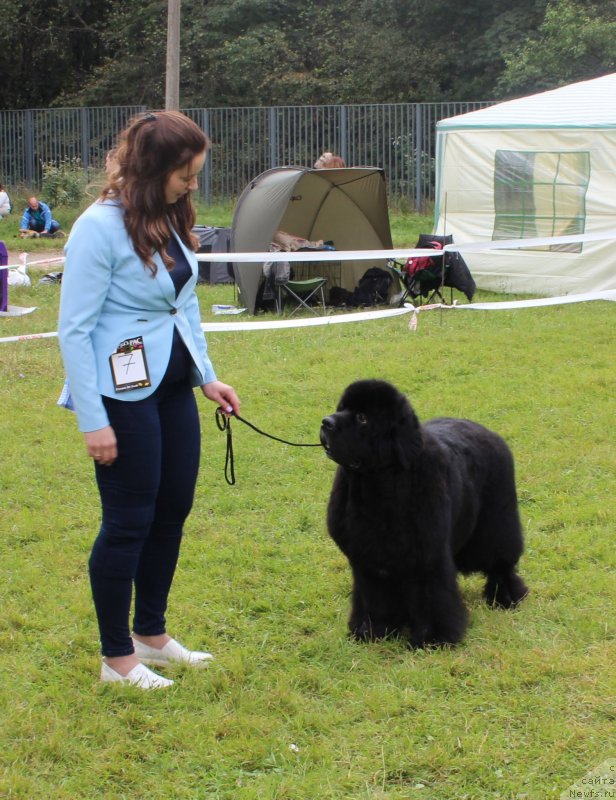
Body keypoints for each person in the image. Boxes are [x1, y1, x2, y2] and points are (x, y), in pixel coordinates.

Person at [58, 110, 240, 690]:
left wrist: (207, 376)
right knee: (127, 523)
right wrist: (94, 421)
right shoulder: (97, 227)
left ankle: (151, 635)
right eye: (185, 175)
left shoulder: (168, 215)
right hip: (119, 396)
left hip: (171, 387)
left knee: (172, 512)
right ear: (153, 168)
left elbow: (182, 303)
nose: (193, 185)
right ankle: (117, 658)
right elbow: (75, 331)